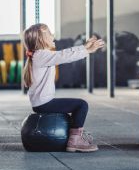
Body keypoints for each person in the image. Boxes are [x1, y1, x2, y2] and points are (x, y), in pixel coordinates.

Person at [22, 23, 104, 152]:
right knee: (81, 105)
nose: (52, 35)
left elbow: (64, 53)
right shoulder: (41, 55)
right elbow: (64, 56)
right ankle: (75, 141)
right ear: (41, 39)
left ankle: (76, 135)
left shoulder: (39, 55)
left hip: (41, 103)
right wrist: (86, 50)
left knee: (73, 109)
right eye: (49, 34)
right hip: (44, 104)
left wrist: (84, 47)